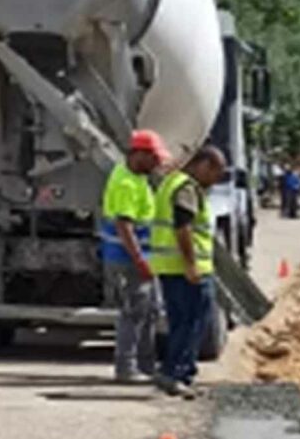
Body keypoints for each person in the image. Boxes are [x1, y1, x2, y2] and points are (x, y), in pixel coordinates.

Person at [149, 145, 231, 397]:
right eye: (215, 173)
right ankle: (178, 374)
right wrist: (191, 264)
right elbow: (182, 227)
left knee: (180, 322)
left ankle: (173, 372)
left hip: (169, 267)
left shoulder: (171, 182)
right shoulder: (186, 188)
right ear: (203, 165)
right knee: (193, 322)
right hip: (185, 269)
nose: (215, 180)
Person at [98, 130, 166, 381]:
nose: (157, 163)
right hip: (127, 260)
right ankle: (126, 368)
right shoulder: (126, 183)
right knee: (134, 312)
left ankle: (146, 365)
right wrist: (140, 260)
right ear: (139, 155)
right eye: (154, 158)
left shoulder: (136, 178)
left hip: (138, 258)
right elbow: (124, 226)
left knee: (149, 311)